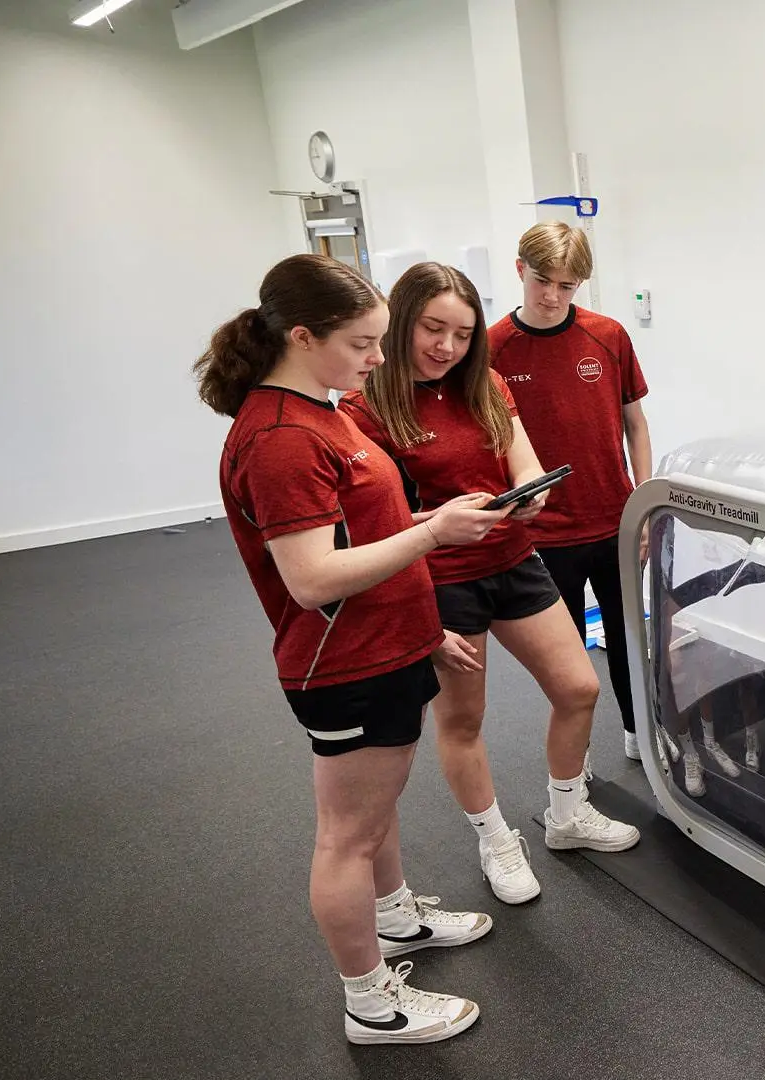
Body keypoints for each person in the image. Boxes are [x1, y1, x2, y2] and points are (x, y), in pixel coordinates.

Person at [195, 253, 508, 1045]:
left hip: (385, 646)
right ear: (303, 336)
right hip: (344, 664)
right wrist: (436, 530)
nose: (379, 358)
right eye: (364, 344)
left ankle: (396, 919)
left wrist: (420, 623)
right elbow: (311, 580)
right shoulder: (279, 438)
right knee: (347, 836)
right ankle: (372, 1004)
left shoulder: (323, 409)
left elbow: (361, 536)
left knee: (375, 814)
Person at [341, 262, 640, 908]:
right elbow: (374, 527)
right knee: (464, 719)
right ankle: (495, 837)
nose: (447, 346)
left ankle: (566, 814)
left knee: (578, 687)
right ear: (401, 322)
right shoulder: (366, 407)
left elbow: (522, 460)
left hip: (511, 558)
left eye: (462, 333)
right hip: (438, 578)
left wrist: (528, 498)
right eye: (432, 328)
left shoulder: (487, 385)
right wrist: (438, 527)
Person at [488, 222, 652, 762]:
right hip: (544, 531)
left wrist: (644, 506)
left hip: (614, 520)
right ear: (519, 270)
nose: (553, 296)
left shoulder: (607, 335)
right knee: (568, 661)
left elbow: (636, 425)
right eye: (543, 281)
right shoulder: (491, 350)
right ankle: (573, 770)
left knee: (630, 638)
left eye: (568, 286)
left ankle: (639, 736)